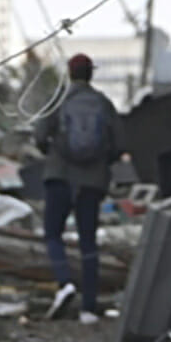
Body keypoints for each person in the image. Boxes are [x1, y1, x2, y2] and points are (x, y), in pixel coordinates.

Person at [32, 52, 123, 324]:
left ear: (70, 74)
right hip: (92, 181)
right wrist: (100, 161)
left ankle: (64, 283)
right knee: (88, 243)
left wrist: (53, 152)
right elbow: (119, 144)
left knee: (52, 234)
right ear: (91, 74)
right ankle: (88, 308)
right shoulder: (103, 103)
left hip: (59, 175)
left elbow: (39, 135)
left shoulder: (59, 100)